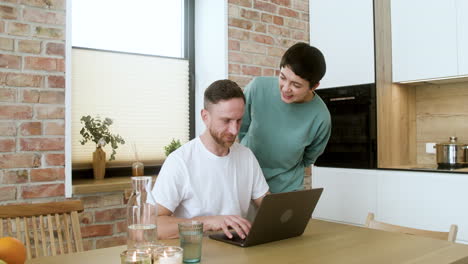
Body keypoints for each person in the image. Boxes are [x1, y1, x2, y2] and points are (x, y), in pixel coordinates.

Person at [152, 79, 269, 240]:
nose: (234, 130)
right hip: (199, 252)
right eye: (226, 121)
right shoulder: (180, 161)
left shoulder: (246, 156)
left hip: (239, 250)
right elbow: (153, 225)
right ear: (205, 116)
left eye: (239, 120)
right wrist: (206, 222)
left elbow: (267, 206)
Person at [239, 42, 331, 193]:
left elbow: (309, 158)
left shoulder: (321, 117)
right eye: (282, 77)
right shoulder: (257, 87)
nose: (286, 88)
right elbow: (241, 127)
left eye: (296, 85)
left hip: (286, 188)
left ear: (314, 86)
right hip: (247, 180)